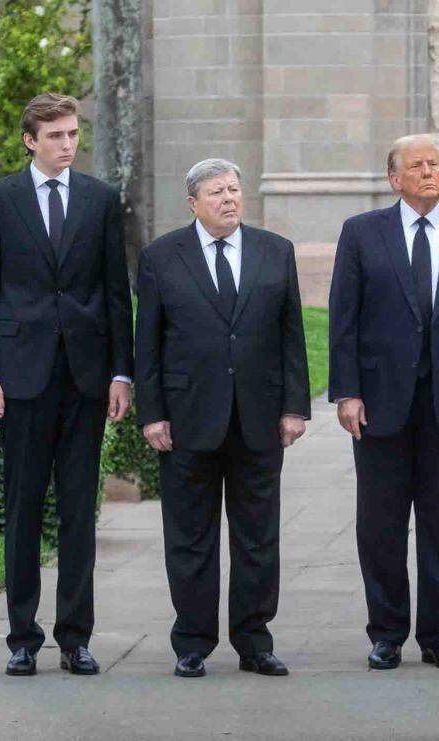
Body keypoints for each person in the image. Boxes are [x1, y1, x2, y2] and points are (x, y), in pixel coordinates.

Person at [0, 93, 133, 677]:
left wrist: (120, 371)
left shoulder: (102, 200)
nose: (68, 144)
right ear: (30, 140)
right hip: (22, 378)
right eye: (56, 135)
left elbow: (116, 293)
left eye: (73, 134)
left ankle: (75, 637)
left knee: (80, 512)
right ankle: (21, 638)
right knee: (24, 508)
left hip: (86, 379)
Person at [328, 134, 439, 672]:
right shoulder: (362, 234)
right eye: (417, 165)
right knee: (379, 525)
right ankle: (386, 633)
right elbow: (344, 320)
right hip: (380, 403)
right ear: (394, 178)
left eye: (435, 164)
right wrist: (348, 392)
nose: (430, 172)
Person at [134, 158, 311, 679]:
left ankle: (254, 640)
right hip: (188, 420)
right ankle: (192, 641)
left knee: (258, 536)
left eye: (234, 189)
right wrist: (152, 414)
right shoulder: (162, 258)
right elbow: (149, 345)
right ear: (193, 203)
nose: (229, 198)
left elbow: (291, 337)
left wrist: (295, 406)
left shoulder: (275, 252)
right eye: (217, 192)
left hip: (259, 418)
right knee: (190, 535)